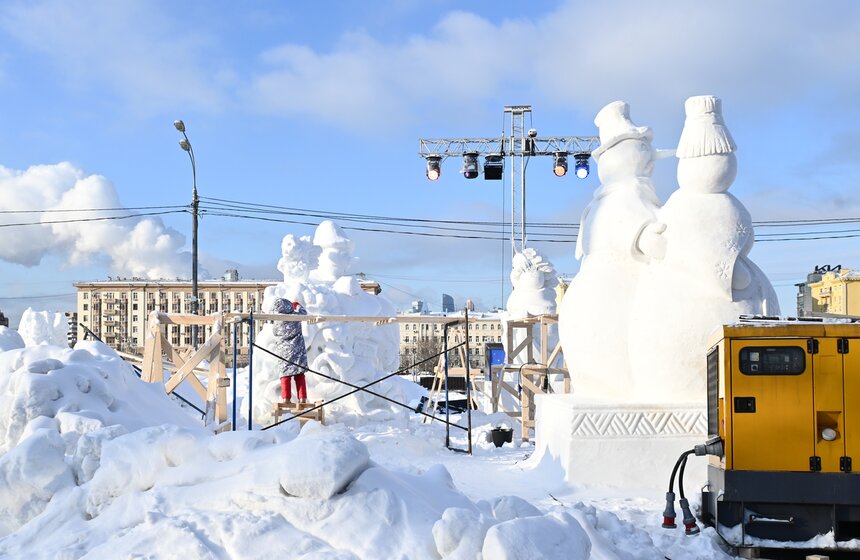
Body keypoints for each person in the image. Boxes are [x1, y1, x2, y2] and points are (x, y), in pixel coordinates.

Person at [272, 298, 308, 403]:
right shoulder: (295, 316)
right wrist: (297, 305)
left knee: (285, 375)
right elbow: (304, 313)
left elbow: (275, 333)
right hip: (297, 350)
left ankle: (286, 398)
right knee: (299, 374)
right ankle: (302, 398)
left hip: (283, 352)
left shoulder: (277, 320)